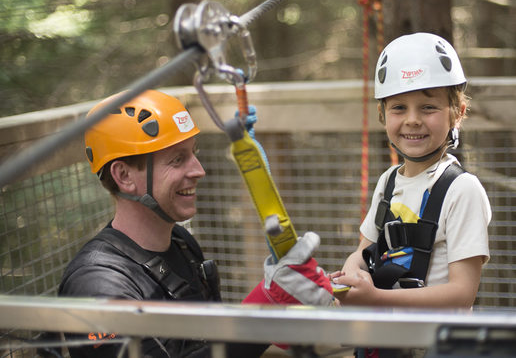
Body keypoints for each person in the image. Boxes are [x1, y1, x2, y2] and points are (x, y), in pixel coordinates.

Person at [57, 89, 333, 357]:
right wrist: (266, 312)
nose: (199, 170)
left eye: (193, 153)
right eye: (177, 159)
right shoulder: (97, 285)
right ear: (124, 176)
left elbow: (210, 344)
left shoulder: (181, 243)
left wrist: (282, 305)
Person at [332, 33, 491, 312]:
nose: (413, 120)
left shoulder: (462, 189)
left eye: (428, 107)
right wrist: (351, 273)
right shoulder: (389, 182)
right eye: (399, 108)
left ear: (457, 113)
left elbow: (462, 292)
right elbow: (364, 252)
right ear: (382, 115)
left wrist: (376, 299)